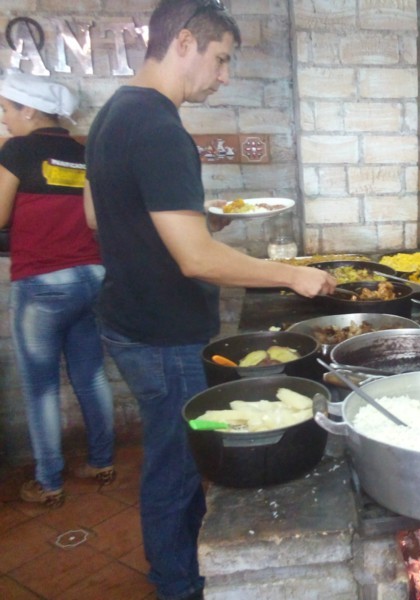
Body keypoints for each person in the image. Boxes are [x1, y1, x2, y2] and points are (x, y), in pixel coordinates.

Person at [82, 1, 336, 599]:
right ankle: (178, 585)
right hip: (165, 332)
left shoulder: (112, 113)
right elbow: (194, 261)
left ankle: (183, 568)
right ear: (186, 41)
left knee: (174, 455)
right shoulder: (159, 127)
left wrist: (194, 225)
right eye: (221, 59)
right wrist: (289, 275)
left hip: (130, 322)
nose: (224, 76)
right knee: (173, 468)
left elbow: (98, 216)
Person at [0, 71, 115, 508]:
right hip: (91, 276)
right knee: (90, 375)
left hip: (43, 282)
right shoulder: (83, 153)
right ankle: (101, 461)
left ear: (29, 110)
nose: (6, 119)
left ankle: (49, 481)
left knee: (41, 387)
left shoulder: (18, 150)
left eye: (8, 109)